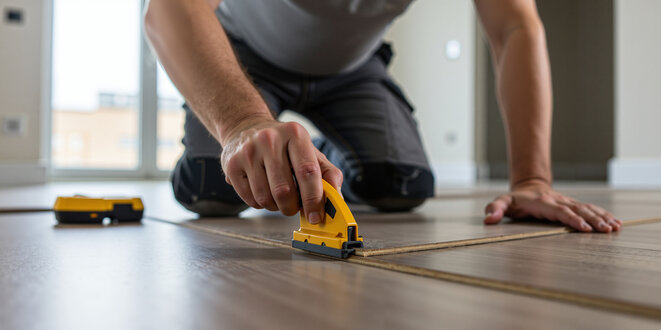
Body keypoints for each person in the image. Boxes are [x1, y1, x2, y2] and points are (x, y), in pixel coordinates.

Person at [144, 0, 621, 233]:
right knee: (212, 190)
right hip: (243, 58)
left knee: (400, 186)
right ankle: (256, 140)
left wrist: (532, 179)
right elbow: (167, 7)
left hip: (353, 72)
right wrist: (242, 123)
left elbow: (516, 26)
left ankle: (316, 154)